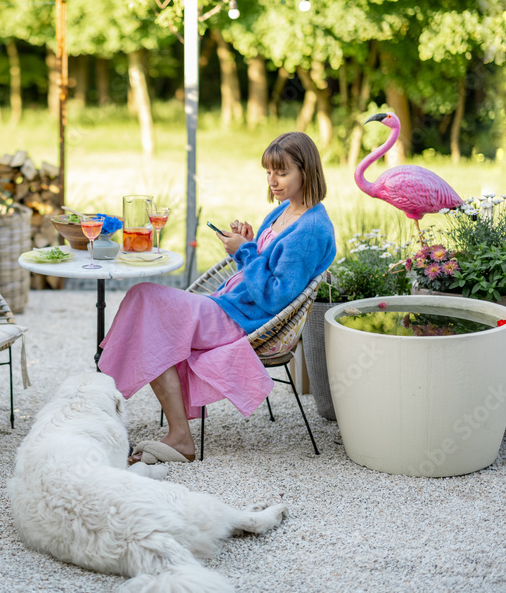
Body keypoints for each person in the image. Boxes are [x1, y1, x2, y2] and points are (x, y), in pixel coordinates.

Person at [97, 132, 336, 464]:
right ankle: (163, 428)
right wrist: (249, 243)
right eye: (268, 172)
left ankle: (109, 397)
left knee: (144, 299)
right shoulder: (285, 210)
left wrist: (245, 251)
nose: (273, 180)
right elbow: (264, 264)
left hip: (243, 321)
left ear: (306, 171)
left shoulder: (312, 230)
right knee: (145, 311)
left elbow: (274, 296)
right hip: (228, 306)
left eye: (282, 172)